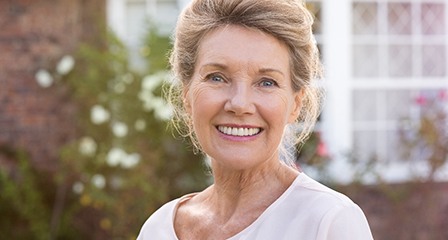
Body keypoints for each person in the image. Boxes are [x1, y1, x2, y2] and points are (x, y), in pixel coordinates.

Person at [137, 0, 374, 239]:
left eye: (267, 82)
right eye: (217, 77)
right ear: (186, 95)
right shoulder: (158, 229)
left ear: (296, 104)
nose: (240, 104)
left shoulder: (328, 222)